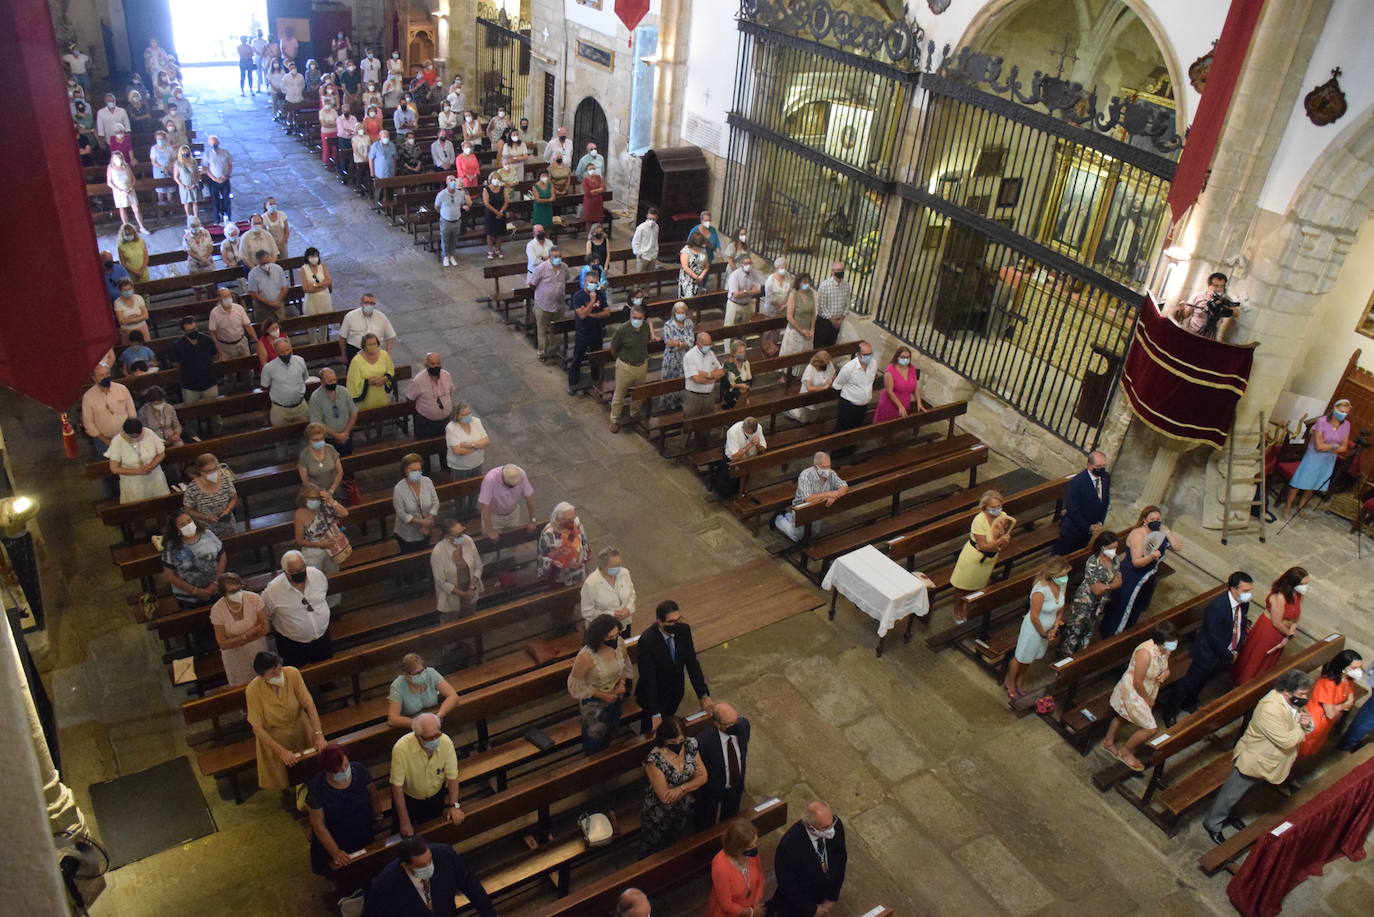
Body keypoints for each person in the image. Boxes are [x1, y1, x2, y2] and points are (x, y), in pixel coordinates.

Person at [1201, 670, 1313, 845]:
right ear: (1286, 691)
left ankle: (1232, 814)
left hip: (1269, 761)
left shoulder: (1293, 701)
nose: (1305, 698)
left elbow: (1306, 719)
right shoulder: (1269, 708)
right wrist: (1302, 727)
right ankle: (1213, 823)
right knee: (1231, 794)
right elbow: (1286, 741)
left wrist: (1306, 723)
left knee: (1245, 792)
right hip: (1254, 758)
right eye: (1302, 694)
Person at [1156, 572, 1255, 727]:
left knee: (1204, 680)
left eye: (1250, 590)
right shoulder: (1218, 607)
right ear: (1234, 589)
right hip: (1208, 652)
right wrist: (1229, 655)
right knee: (1188, 682)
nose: (1249, 594)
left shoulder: (1244, 604)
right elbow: (1213, 636)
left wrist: (1238, 647)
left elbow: (1240, 624)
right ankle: (1169, 712)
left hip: (1226, 653)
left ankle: (1190, 702)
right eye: (1245, 590)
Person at [1100, 621, 1178, 772]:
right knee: (1150, 728)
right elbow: (1137, 681)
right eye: (1171, 641)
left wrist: (1166, 672)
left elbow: (1165, 664)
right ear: (1160, 641)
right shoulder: (1145, 653)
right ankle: (1125, 752)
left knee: (1123, 716)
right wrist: (1147, 699)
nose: (1174, 644)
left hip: (1149, 688)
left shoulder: (1166, 648)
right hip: (1134, 691)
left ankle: (1108, 742)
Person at [246, 651, 327, 791]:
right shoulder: (253, 690)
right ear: (263, 676)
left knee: (311, 769)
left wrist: (319, 735)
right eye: (272, 673)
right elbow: (257, 728)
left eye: (279, 668)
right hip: (276, 737)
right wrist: (281, 751)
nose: (279, 674)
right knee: (286, 776)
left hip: (300, 728)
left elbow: (309, 705)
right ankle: (293, 795)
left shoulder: (292, 673)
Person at [362, 834, 495, 917]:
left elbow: (471, 886)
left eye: (430, 860)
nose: (429, 866)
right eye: (421, 865)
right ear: (405, 866)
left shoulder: (444, 855)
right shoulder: (385, 884)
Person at [1100, 505, 1181, 638]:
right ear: (1144, 520)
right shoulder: (1138, 534)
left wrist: (1167, 532)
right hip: (1132, 576)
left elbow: (1178, 546)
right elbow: (1136, 562)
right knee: (1122, 607)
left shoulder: (1159, 533)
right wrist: (1151, 557)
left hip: (1147, 578)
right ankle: (1111, 636)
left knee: (1136, 608)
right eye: (1152, 518)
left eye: (1158, 518)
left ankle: (1127, 633)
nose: (1156, 521)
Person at [306, 742, 382, 875]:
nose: (343, 771)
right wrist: (335, 852)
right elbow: (318, 825)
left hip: (361, 825)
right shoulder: (317, 788)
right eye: (337, 770)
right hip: (336, 833)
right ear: (328, 770)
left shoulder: (358, 770)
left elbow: (372, 792)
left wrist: (378, 815)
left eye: (346, 766)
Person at [1003, 555, 1069, 700]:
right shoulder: (1040, 590)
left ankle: (1020, 678)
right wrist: (1044, 634)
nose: (1065, 578)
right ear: (1053, 575)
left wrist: (1055, 626)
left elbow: (1060, 607)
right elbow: (1034, 616)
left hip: (1048, 628)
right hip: (1033, 629)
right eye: (1063, 575)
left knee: (1031, 657)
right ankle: (1010, 681)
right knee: (1021, 657)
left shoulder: (1061, 585)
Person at [640, 715, 707, 856]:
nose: (678, 744)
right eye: (673, 741)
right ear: (664, 739)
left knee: (674, 840)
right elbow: (665, 797)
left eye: (680, 740)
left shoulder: (690, 744)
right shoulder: (654, 760)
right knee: (653, 845)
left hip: (682, 805)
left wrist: (680, 789)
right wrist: (693, 784)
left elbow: (704, 777)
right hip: (659, 811)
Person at [567, 614, 633, 754]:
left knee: (611, 729)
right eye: (609, 637)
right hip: (594, 702)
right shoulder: (586, 656)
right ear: (599, 636)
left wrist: (622, 683)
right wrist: (602, 695)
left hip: (615, 695)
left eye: (616, 635)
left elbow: (624, 664)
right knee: (595, 739)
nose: (614, 639)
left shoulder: (619, 643)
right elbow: (575, 685)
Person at [636, 600, 713, 720]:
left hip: (676, 691)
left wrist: (703, 695)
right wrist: (655, 713)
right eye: (671, 621)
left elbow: (692, 663)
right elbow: (648, 678)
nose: (675, 624)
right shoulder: (647, 640)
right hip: (655, 694)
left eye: (678, 620)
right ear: (659, 621)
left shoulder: (683, 630)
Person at [390, 713, 464, 836]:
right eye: (430, 738)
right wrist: (404, 820)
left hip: (435, 795)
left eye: (437, 735)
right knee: (402, 833)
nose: (435, 740)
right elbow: (397, 787)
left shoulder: (446, 742)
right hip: (409, 797)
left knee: (432, 831)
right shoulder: (401, 748)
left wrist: (454, 805)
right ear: (418, 736)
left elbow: (452, 777)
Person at [770, 801, 847, 917]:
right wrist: (812, 909)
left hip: (825, 892)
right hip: (800, 904)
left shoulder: (835, 824)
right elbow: (788, 884)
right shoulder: (789, 846)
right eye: (826, 827)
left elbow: (841, 860)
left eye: (832, 822)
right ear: (811, 828)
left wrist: (832, 897)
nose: (832, 830)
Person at [1232, 566, 1307, 684]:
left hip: (1283, 632)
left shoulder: (1298, 595)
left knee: (1267, 661)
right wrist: (1289, 634)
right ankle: (1243, 682)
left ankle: (1257, 682)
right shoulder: (1280, 597)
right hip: (1269, 630)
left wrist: (1289, 634)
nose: (1305, 587)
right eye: (1303, 584)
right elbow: (1276, 621)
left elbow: (1296, 617)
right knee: (1257, 657)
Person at [1283, 399, 1353, 519]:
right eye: (1341, 411)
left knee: (1314, 484)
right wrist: (1334, 446)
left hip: (1328, 460)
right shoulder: (1322, 421)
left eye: (1346, 413)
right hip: (1313, 457)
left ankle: (1301, 507)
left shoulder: (1346, 425)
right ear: (1334, 409)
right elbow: (1318, 446)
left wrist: (1329, 446)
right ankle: (1287, 507)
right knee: (1300, 482)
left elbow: (1344, 448)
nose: (1343, 415)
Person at [261, 551, 333, 666]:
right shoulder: (273, 591)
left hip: (322, 635)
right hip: (292, 644)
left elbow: (324, 592)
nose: (299, 573)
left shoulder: (317, 575)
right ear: (285, 572)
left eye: (301, 569)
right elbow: (266, 614)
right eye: (293, 572)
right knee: (295, 676)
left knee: (325, 667)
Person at [1058, 531, 1122, 656]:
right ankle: (1064, 657)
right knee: (1075, 629)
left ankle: (1079, 656)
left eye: (1115, 547)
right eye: (1111, 548)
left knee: (1089, 629)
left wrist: (1107, 586)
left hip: (1100, 602)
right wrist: (1112, 585)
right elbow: (1096, 589)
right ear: (1102, 547)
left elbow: (1119, 579)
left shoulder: (1114, 560)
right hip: (1085, 601)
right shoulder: (1093, 562)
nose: (1114, 551)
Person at [1298, 650, 1364, 758]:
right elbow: (1330, 713)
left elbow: (1350, 697)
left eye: (1359, 667)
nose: (1358, 671)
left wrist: (1345, 703)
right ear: (1343, 666)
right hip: (1316, 719)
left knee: (1316, 744)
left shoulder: (1347, 679)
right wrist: (1343, 706)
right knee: (1304, 745)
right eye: (1354, 668)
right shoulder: (1327, 683)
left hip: (1328, 721)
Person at [949, 491, 1016, 595]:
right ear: (985, 507)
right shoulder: (979, 520)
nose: (997, 509)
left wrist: (1004, 540)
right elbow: (983, 546)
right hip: (973, 559)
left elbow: (1002, 543)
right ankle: (959, 608)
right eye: (993, 507)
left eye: (999, 506)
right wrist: (1000, 540)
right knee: (962, 587)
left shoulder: (1003, 516)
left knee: (979, 585)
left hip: (990, 558)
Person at [696, 703, 750, 830]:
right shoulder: (703, 741)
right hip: (711, 791)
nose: (734, 726)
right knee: (705, 824)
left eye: (735, 720)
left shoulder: (743, 726)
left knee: (730, 821)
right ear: (717, 724)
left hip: (735, 786)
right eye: (729, 725)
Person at [773, 451, 849, 543]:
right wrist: (829, 494)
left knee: (814, 533)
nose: (827, 470)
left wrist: (835, 496)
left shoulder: (831, 473)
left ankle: (788, 516)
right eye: (824, 467)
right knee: (796, 536)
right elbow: (808, 498)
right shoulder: (805, 476)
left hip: (818, 507)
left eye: (829, 466)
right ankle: (778, 518)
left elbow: (844, 486)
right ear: (816, 467)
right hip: (801, 508)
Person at [210, 572, 269, 686]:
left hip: (257, 648)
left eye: (239, 588)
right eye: (232, 592)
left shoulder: (254, 599)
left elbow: (265, 628)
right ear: (224, 593)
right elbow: (222, 643)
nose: (237, 593)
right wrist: (246, 635)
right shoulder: (217, 610)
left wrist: (238, 641)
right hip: (235, 656)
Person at [607, 301, 656, 432]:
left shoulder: (645, 327)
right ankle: (614, 419)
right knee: (620, 394)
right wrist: (622, 360)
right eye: (634, 318)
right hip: (625, 366)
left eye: (640, 319)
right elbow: (613, 348)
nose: (637, 321)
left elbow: (646, 342)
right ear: (630, 317)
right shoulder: (623, 329)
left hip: (641, 365)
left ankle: (634, 414)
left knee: (639, 393)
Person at [160, 513, 226, 606]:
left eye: (189, 521)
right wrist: (195, 591)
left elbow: (222, 556)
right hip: (189, 597)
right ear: (176, 529)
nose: (188, 525)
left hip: (215, 589)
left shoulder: (207, 534)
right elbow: (170, 575)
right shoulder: (171, 546)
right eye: (182, 524)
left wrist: (216, 583)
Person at [1054, 451, 1111, 555]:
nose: (1102, 469)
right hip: (1073, 528)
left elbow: (1105, 501)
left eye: (1104, 465)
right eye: (1098, 466)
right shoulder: (1078, 482)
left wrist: (1100, 522)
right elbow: (1072, 508)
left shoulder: (1106, 478)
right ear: (1089, 465)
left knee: (1078, 554)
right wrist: (1087, 526)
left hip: (1090, 528)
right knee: (1060, 555)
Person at [567, 268, 613, 393]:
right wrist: (592, 302)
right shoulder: (578, 296)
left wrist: (592, 315)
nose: (593, 284)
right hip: (583, 332)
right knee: (578, 357)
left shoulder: (600, 295)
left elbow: (607, 313)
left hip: (597, 331)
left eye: (595, 282)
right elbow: (581, 315)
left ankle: (595, 380)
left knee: (596, 357)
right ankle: (573, 382)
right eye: (591, 282)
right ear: (585, 282)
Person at [708, 819, 765, 917]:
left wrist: (756, 902)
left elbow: (760, 876)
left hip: (751, 907)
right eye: (751, 846)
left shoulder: (751, 853)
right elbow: (727, 905)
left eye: (755, 842)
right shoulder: (720, 867)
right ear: (738, 848)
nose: (755, 847)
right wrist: (751, 913)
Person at [386, 653, 459, 730]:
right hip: (412, 727)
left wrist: (438, 716)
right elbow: (392, 719)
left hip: (433, 719)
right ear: (405, 674)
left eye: (422, 671)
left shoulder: (430, 673)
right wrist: (419, 724)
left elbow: (453, 696)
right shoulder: (397, 686)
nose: (421, 675)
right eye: (417, 673)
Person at [107, 417, 170, 504]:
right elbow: (114, 468)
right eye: (132, 436)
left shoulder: (149, 433)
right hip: (134, 483)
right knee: (138, 508)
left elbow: (161, 453)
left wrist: (152, 465)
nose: (136, 437)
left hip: (155, 478)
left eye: (139, 434)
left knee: (161, 504)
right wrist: (137, 471)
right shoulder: (117, 441)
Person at [431, 517, 483, 617]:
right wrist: (463, 594)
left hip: (471, 589)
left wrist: (471, 589)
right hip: (451, 596)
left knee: (471, 619)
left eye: (462, 532)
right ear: (447, 537)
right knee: (451, 623)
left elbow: (478, 566)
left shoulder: (467, 540)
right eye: (458, 535)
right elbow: (440, 581)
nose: (462, 537)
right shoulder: (438, 552)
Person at [294, 483, 350, 573]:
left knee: (333, 574)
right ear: (304, 499)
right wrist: (319, 544)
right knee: (315, 576)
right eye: (311, 499)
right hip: (313, 551)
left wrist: (331, 500)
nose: (315, 501)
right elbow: (299, 540)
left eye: (317, 498)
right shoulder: (299, 514)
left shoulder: (326, 506)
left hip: (332, 548)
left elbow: (345, 513)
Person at [443, 404, 489, 512]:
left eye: (469, 413)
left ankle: (472, 509)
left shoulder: (476, 421)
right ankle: (461, 512)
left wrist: (471, 445)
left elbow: (487, 441)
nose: (468, 416)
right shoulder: (451, 428)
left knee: (475, 488)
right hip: (460, 467)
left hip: (477, 463)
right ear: (457, 416)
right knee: (460, 491)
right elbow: (457, 451)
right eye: (465, 414)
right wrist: (478, 446)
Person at [183, 453, 239, 538]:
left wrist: (227, 511)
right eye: (209, 471)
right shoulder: (193, 488)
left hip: (227, 526)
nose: (213, 473)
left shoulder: (225, 479)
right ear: (200, 471)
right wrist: (207, 517)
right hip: (206, 530)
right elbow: (188, 510)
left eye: (215, 469)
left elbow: (234, 497)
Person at [393, 453, 441, 554]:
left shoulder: (427, 481)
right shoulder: (399, 489)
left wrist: (429, 519)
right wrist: (422, 522)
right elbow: (401, 513)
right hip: (408, 533)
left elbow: (435, 502)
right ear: (405, 470)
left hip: (426, 529)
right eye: (413, 470)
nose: (417, 473)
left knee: (425, 555)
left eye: (419, 470)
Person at [581, 546, 635, 633]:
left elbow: (632, 594)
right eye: (614, 566)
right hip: (602, 630)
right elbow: (587, 612)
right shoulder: (591, 584)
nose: (618, 569)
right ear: (603, 565)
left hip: (624, 624)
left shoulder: (624, 573)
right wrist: (611, 614)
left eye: (619, 564)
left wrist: (628, 609)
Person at [683, 333, 724, 446]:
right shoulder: (689, 356)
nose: (708, 346)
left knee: (707, 422)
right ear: (698, 343)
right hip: (693, 396)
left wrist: (708, 375)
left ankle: (703, 445)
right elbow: (696, 379)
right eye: (705, 344)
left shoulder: (710, 353)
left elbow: (721, 372)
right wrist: (712, 378)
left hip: (709, 395)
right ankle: (685, 446)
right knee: (690, 423)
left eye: (709, 344)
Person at [82, 365, 137, 449]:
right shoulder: (88, 397)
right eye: (101, 375)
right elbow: (88, 423)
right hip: (104, 441)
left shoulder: (122, 389)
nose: (106, 377)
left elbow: (132, 412)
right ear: (94, 378)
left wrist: (129, 433)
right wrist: (105, 441)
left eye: (107, 374)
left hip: (127, 435)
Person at [831, 341, 877, 441]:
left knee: (856, 430)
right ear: (858, 354)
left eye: (870, 354)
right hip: (848, 406)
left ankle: (851, 450)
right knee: (843, 431)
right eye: (866, 355)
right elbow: (837, 385)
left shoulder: (873, 364)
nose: (869, 357)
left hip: (863, 405)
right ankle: (837, 454)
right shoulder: (849, 368)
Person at [531, 247, 570, 363]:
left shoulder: (564, 267)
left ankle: (554, 350)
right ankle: (542, 352)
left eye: (559, 256)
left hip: (558, 305)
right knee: (542, 329)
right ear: (549, 257)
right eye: (555, 257)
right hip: (543, 304)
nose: (557, 259)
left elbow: (566, 279)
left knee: (557, 329)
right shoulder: (541, 268)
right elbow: (533, 283)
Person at [537, 502, 590, 586]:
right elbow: (545, 558)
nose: (572, 521)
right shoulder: (549, 534)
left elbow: (584, 541)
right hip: (560, 575)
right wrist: (565, 564)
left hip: (579, 569)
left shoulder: (576, 523)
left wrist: (584, 560)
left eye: (573, 517)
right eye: (568, 519)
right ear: (558, 520)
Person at [479, 464, 537, 540]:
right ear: (503, 477)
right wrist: (489, 530)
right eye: (509, 486)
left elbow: (529, 498)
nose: (511, 488)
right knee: (490, 544)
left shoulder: (521, 474)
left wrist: (533, 520)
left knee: (513, 540)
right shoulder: (490, 479)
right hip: (494, 517)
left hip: (513, 514)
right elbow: (485, 506)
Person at [308, 368, 358, 456]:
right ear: (322, 382)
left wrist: (346, 433)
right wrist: (337, 436)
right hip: (328, 439)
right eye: (330, 381)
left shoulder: (343, 391)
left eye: (334, 380)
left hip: (347, 435)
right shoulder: (315, 398)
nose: (333, 383)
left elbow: (353, 412)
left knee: (349, 460)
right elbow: (318, 423)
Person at [1174, 272, 1237, 341]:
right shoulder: (1197, 296)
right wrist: (1182, 307)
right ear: (1209, 286)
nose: (1219, 289)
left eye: (1222, 286)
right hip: (1191, 334)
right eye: (1216, 286)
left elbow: (1237, 314)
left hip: (1210, 338)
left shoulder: (1225, 299)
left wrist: (1226, 303)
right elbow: (1185, 315)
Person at [261, 338, 311, 426]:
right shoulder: (269, 368)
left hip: (300, 406)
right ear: (276, 352)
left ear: (291, 348)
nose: (286, 353)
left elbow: (304, 378)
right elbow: (265, 386)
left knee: (306, 432)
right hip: (280, 410)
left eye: (287, 350)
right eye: (282, 352)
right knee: (279, 436)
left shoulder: (300, 361)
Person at [406, 353, 454, 443]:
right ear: (426, 365)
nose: (435, 366)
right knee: (425, 448)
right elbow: (409, 398)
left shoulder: (446, 375)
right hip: (426, 423)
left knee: (445, 446)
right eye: (432, 364)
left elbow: (450, 391)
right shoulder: (418, 380)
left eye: (438, 363)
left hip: (446, 420)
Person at [338, 294, 397, 363]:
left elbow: (391, 336)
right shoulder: (350, 316)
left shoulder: (381, 317)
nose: (369, 305)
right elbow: (342, 337)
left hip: (375, 350)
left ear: (374, 305)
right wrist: (344, 356)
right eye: (366, 303)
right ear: (361, 304)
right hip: (355, 350)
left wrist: (388, 355)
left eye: (371, 303)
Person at [874, 345, 923, 423]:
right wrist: (900, 406)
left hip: (905, 404)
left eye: (907, 357)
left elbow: (914, 387)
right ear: (897, 357)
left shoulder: (912, 368)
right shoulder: (890, 371)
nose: (905, 359)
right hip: (890, 405)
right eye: (903, 357)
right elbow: (889, 391)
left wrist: (919, 402)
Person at [348, 333, 396, 411]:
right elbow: (353, 383)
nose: (373, 346)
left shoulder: (384, 355)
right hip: (365, 403)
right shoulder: (356, 361)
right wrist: (369, 382)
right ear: (364, 346)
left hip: (382, 397)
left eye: (375, 344)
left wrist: (385, 378)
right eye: (370, 344)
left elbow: (390, 371)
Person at [208, 289, 258, 363]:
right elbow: (213, 332)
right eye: (224, 296)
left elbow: (247, 326)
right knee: (230, 370)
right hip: (226, 346)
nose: (227, 298)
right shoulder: (214, 313)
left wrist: (256, 340)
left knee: (247, 365)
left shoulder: (239, 308)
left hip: (241, 342)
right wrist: (219, 350)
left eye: (229, 295)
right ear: (219, 298)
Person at [788, 349, 836, 423]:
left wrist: (831, 380)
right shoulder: (810, 368)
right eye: (825, 363)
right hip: (809, 395)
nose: (827, 364)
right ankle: (788, 410)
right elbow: (809, 388)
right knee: (803, 419)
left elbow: (833, 375)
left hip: (820, 395)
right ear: (819, 362)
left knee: (813, 418)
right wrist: (824, 387)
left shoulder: (829, 363)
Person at [105, 152, 147, 234]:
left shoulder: (126, 166)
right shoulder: (110, 167)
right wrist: (120, 191)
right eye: (116, 158)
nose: (118, 159)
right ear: (113, 159)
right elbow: (109, 182)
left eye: (120, 157)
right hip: (119, 192)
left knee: (136, 208)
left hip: (129, 189)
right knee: (123, 209)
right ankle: (127, 228)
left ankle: (142, 227)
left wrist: (130, 188)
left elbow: (133, 178)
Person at [434, 175, 469, 267]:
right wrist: (443, 213)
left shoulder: (460, 194)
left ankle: (452, 255)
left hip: (456, 220)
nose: (453, 181)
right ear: (447, 182)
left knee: (454, 239)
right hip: (445, 221)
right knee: (445, 239)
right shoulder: (441, 194)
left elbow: (461, 204)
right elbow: (437, 206)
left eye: (454, 180)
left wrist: (463, 205)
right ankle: (445, 256)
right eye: (450, 180)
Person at [814, 261, 851, 348]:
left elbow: (847, 304)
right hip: (824, 322)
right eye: (838, 270)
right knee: (819, 347)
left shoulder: (846, 285)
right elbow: (822, 305)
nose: (841, 272)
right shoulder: (825, 285)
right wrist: (833, 320)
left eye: (842, 269)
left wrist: (840, 320)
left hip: (838, 322)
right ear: (832, 271)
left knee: (831, 346)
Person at [247, 250, 290, 324]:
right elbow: (254, 293)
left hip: (278, 306)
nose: (266, 265)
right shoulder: (253, 274)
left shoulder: (278, 269)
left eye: (267, 262)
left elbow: (285, 287)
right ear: (257, 261)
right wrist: (269, 303)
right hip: (262, 308)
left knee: (281, 326)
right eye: (263, 263)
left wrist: (278, 301)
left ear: (269, 258)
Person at [202, 136, 234, 224]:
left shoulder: (225, 152)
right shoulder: (207, 154)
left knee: (226, 198)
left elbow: (230, 164)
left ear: (218, 143)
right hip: (213, 181)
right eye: (212, 144)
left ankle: (228, 216)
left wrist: (227, 176)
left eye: (215, 143)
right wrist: (214, 178)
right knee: (215, 200)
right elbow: (205, 167)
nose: (214, 145)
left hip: (224, 179)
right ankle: (216, 218)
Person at [725, 255, 765, 326]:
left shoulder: (754, 273)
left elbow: (758, 290)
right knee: (730, 329)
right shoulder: (734, 275)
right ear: (741, 264)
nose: (748, 265)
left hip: (747, 305)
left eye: (750, 263)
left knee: (744, 329)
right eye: (746, 264)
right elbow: (736, 295)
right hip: (735, 305)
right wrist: (751, 291)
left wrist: (745, 292)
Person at [111, 280, 150, 345]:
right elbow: (121, 321)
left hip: (142, 328)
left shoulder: (138, 298)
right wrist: (138, 317)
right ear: (120, 291)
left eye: (129, 289)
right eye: (125, 290)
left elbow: (146, 315)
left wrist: (129, 319)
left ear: (133, 288)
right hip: (127, 331)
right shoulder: (117, 302)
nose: (127, 291)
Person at [720, 339, 753, 410]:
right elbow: (726, 384)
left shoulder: (746, 363)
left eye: (744, 352)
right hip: (730, 396)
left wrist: (746, 387)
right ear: (734, 353)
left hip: (744, 394)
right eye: (740, 352)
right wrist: (739, 387)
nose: (742, 354)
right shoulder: (727, 364)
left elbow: (750, 379)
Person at [481, 174, 508, 259]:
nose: (496, 180)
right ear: (491, 179)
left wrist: (501, 211)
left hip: (501, 212)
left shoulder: (502, 189)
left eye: (498, 178)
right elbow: (486, 203)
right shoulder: (486, 189)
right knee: (490, 233)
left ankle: (497, 249)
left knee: (499, 232)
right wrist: (496, 212)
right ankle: (490, 250)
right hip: (490, 213)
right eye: (494, 178)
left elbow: (506, 201)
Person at [368, 130, 398, 201]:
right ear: (380, 137)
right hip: (380, 173)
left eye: (387, 136)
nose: (386, 138)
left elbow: (394, 158)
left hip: (390, 172)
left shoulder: (392, 145)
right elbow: (370, 159)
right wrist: (372, 171)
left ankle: (390, 203)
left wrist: (394, 169)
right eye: (384, 137)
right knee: (380, 190)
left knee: (390, 189)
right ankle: (378, 204)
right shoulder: (375, 145)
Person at [679, 231, 710, 298]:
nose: (698, 247)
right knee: (687, 299)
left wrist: (701, 277)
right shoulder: (686, 250)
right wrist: (696, 277)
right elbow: (685, 267)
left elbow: (706, 265)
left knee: (698, 299)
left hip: (700, 278)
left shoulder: (703, 249)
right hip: (688, 279)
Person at [631, 207, 660, 273]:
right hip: (643, 256)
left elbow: (655, 240)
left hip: (652, 255)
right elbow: (635, 242)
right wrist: (638, 253)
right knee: (640, 277)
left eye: (654, 219)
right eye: (650, 219)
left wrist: (656, 251)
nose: (651, 221)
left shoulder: (656, 227)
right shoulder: (641, 228)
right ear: (647, 216)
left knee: (650, 275)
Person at [581, 163, 606, 228]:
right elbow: (587, 192)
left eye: (593, 169)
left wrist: (595, 191)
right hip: (589, 203)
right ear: (587, 170)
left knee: (599, 219)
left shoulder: (598, 177)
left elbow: (603, 188)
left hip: (598, 202)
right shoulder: (585, 180)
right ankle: (589, 235)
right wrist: (598, 190)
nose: (592, 170)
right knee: (589, 220)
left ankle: (599, 234)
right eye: (590, 169)